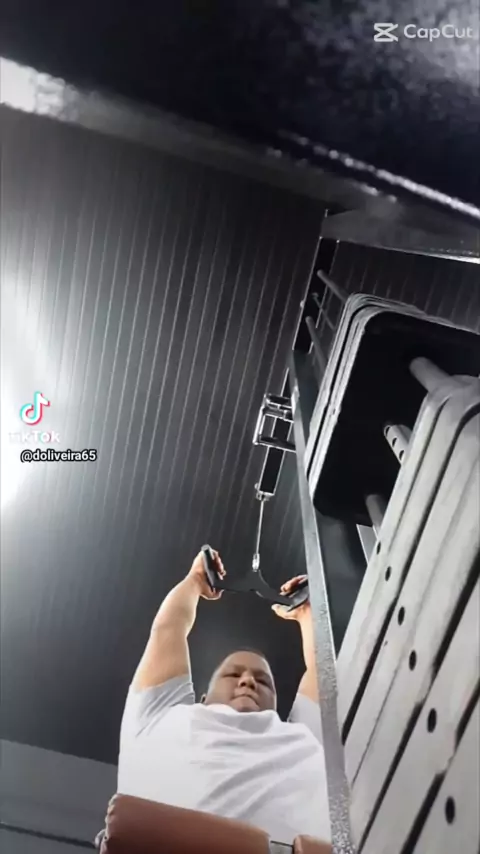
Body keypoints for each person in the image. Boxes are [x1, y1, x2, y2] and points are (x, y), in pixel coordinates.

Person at [117, 550, 331, 846]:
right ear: (203, 699)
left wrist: (307, 613)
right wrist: (194, 581)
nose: (248, 681)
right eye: (233, 674)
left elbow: (323, 672)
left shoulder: (302, 736)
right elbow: (168, 629)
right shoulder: (159, 715)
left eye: (263, 682)